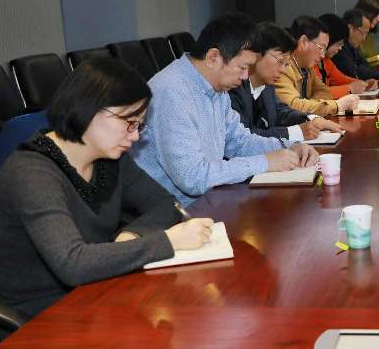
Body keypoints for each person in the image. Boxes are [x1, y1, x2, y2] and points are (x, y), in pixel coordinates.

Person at [0, 58, 215, 319]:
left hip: (97, 288)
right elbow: (73, 264)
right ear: (89, 110)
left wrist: (132, 236)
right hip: (42, 314)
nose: (135, 136)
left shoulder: (109, 158)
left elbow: (165, 203)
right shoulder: (31, 172)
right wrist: (168, 241)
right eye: (129, 122)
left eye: (139, 125)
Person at [132, 13, 318, 207]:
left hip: (211, 199)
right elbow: (193, 178)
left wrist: (289, 147)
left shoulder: (216, 88)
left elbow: (239, 141)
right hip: (176, 213)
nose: (246, 77)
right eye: (243, 67)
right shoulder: (172, 93)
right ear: (213, 57)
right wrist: (265, 162)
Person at [230, 21, 342, 140]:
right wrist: (297, 132)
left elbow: (281, 112)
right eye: (280, 61)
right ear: (256, 55)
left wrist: (312, 119)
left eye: (286, 64)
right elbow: (243, 138)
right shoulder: (233, 88)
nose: (283, 70)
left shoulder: (267, 86)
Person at [274, 16, 361, 116]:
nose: (323, 55)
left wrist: (309, 105)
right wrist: (337, 106)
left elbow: (324, 92)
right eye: (321, 48)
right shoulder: (282, 67)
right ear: (303, 42)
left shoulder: (306, 67)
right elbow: (292, 107)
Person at [316, 13, 379, 98]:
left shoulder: (326, 61)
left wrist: (364, 84)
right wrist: (349, 89)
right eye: (338, 44)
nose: (340, 48)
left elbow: (342, 79)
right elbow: (317, 94)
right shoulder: (311, 62)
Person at [331, 9, 379, 81]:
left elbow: (364, 65)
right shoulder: (338, 48)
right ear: (351, 28)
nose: (364, 39)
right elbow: (354, 72)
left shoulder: (351, 46)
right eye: (363, 33)